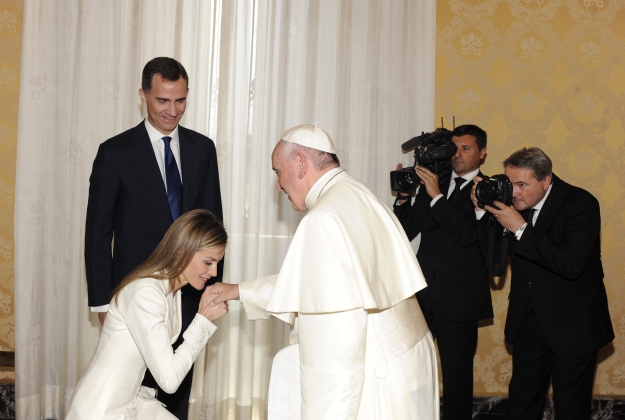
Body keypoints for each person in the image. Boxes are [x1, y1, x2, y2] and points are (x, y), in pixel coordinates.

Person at [207, 124, 439, 420]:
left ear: (300, 164)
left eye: (278, 172)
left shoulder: (323, 218)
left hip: (373, 381)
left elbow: (334, 358)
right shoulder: (355, 193)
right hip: (407, 366)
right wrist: (239, 290)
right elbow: (321, 285)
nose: (278, 185)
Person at [84, 57, 223, 417]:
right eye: (162, 100)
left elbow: (212, 226)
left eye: (180, 100)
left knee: (174, 391)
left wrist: (210, 287)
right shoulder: (114, 153)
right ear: (143, 95)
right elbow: (98, 233)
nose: (172, 111)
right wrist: (103, 303)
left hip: (187, 296)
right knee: (130, 383)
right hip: (135, 297)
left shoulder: (202, 149)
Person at [470, 147, 614, 420]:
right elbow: (493, 261)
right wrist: (481, 211)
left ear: (546, 180)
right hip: (528, 321)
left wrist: (521, 228)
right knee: (522, 404)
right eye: (509, 183)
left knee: (571, 408)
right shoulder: (511, 205)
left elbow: (570, 264)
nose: (513, 192)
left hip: (573, 324)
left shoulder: (580, 203)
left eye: (522, 185)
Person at [68, 209, 228, 420]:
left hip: (130, 401)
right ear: (182, 252)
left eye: (217, 262)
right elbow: (169, 380)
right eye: (209, 262)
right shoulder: (146, 293)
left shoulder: (172, 290)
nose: (214, 272)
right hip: (101, 409)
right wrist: (203, 321)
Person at [392, 124, 493, 420]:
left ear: (483, 153)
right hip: (423, 292)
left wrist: (436, 196)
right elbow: (406, 230)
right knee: (411, 368)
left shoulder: (486, 189)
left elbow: (466, 235)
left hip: (460, 297)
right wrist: (403, 197)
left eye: (466, 148)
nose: (457, 155)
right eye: (454, 148)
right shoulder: (434, 183)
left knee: (457, 377)